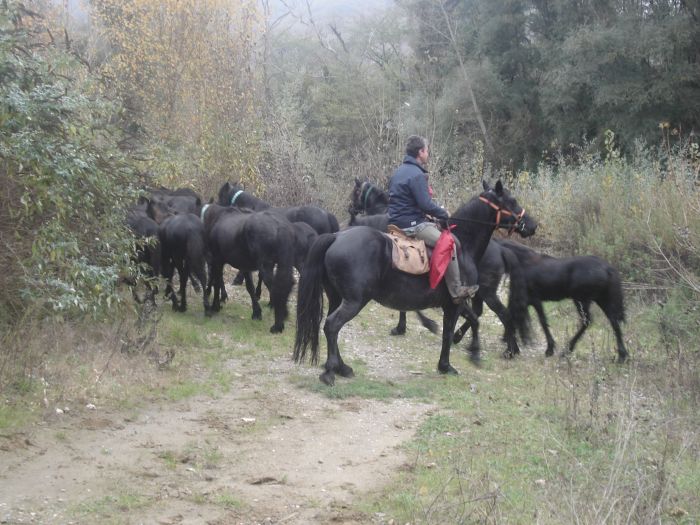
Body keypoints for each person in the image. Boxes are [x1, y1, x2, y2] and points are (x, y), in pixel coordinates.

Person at [387, 135, 478, 303]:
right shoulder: (417, 174)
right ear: (420, 152)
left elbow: (403, 201)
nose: (428, 154)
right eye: (427, 150)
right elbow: (425, 204)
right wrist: (443, 214)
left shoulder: (397, 172)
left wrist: (427, 213)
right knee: (448, 244)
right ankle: (456, 290)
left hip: (394, 225)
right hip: (413, 226)